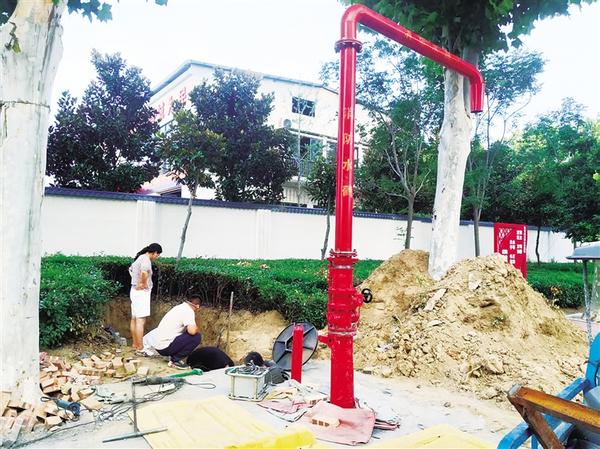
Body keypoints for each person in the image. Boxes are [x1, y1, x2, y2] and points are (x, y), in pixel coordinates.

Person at [143, 297, 202, 369]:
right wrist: (196, 328)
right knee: (196, 337)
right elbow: (192, 331)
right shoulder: (189, 311)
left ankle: (170, 357)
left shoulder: (179, 307)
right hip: (164, 348)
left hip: (158, 345)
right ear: (197, 306)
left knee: (183, 333)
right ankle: (175, 360)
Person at [129, 243, 162, 353]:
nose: (157, 257)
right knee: (140, 320)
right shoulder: (146, 260)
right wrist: (142, 284)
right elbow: (144, 272)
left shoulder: (140, 258)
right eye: (158, 255)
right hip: (141, 293)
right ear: (155, 252)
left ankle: (135, 344)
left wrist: (136, 282)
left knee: (134, 318)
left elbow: (130, 269)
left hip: (134, 291)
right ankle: (140, 347)